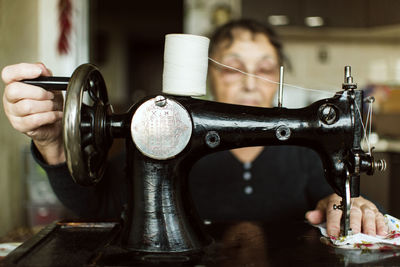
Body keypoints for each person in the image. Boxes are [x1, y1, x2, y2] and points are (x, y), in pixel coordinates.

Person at [2, 19, 387, 238]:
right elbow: (94, 206)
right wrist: (54, 144)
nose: (251, 82)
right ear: (209, 74)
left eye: (266, 69)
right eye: (234, 66)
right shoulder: (161, 135)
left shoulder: (304, 155)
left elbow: (330, 197)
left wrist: (342, 203)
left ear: (280, 78)